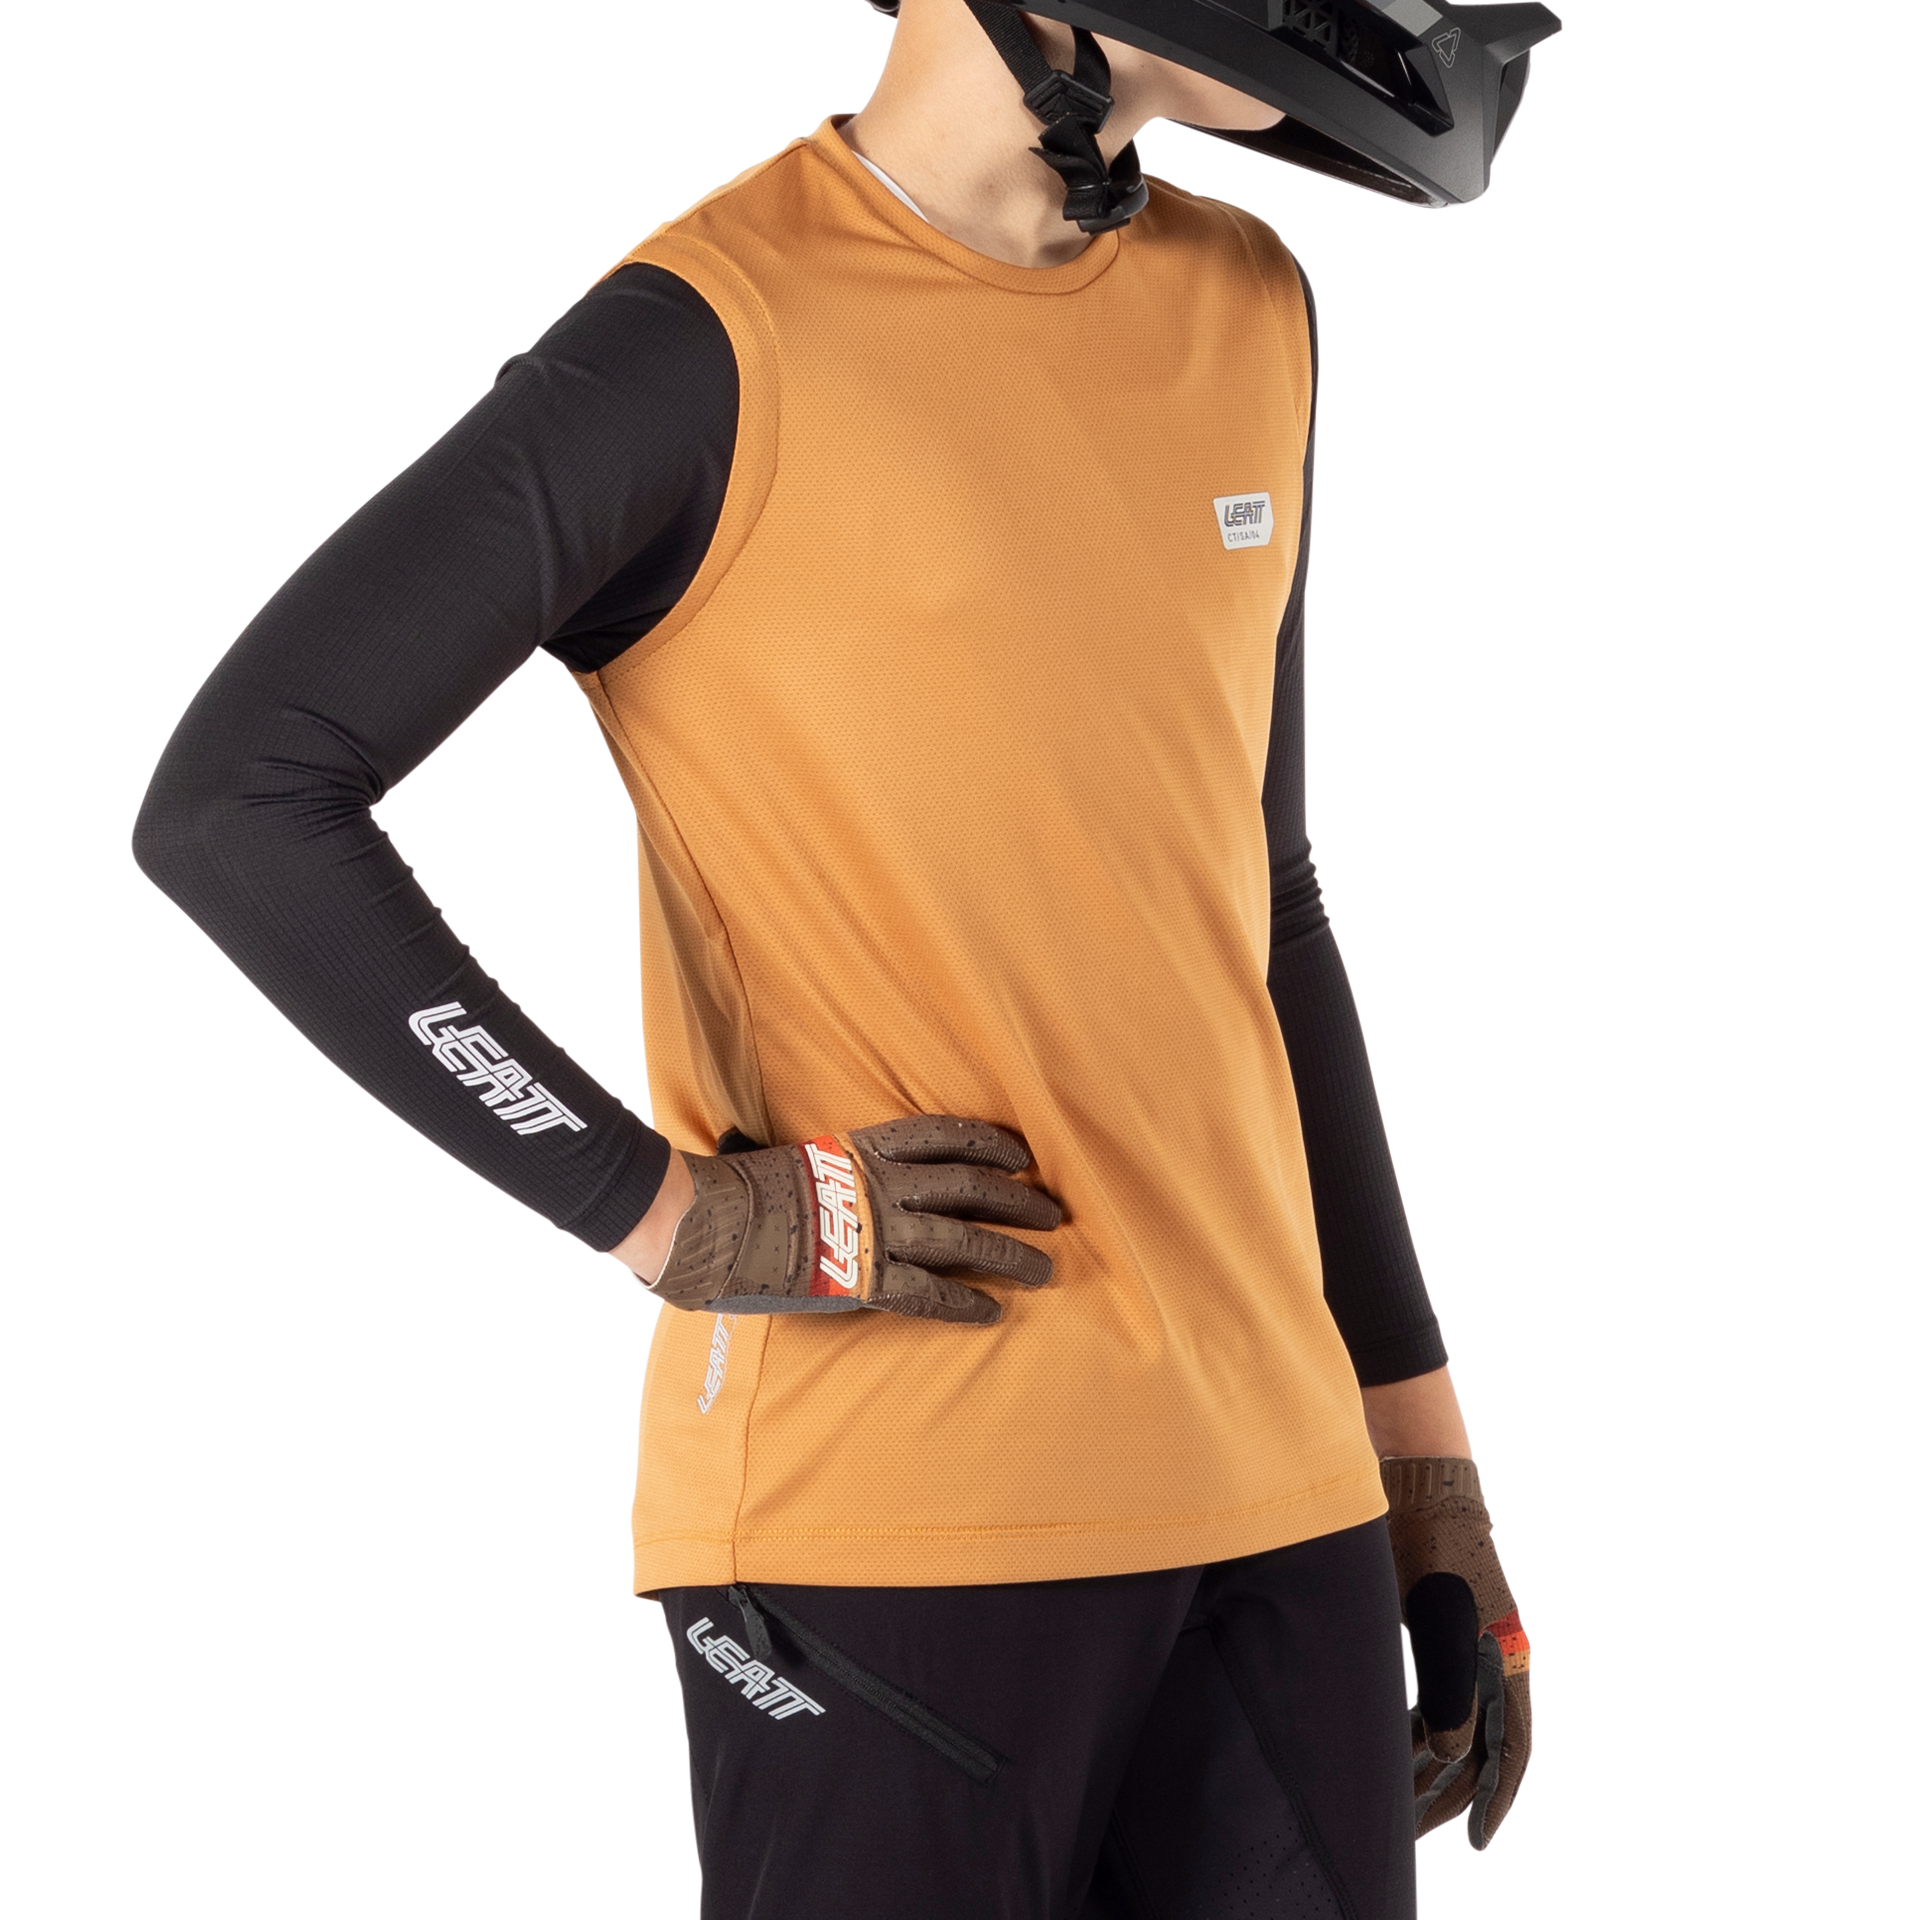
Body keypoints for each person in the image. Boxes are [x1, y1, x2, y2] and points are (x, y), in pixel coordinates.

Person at [133, 3, 1558, 1913]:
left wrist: (1424, 1465)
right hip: (892, 1514)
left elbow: (1264, 902)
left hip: (1280, 1497)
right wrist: (666, 1213)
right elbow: (240, 805)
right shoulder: (707, 344)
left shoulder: (1252, 308)